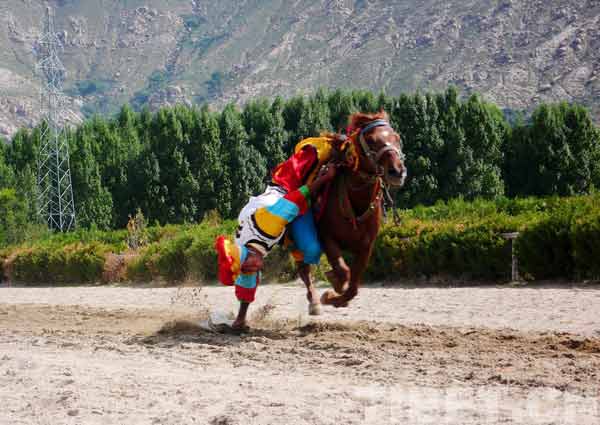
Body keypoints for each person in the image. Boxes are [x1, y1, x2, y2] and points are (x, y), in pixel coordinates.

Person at [215, 135, 348, 331]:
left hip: (287, 190)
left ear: (249, 257)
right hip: (269, 208)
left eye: (250, 267)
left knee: (311, 247)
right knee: (306, 250)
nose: (254, 269)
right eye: (249, 269)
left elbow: (299, 196)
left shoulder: (268, 222)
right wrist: (240, 319)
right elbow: (246, 283)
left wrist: (325, 178)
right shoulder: (243, 255)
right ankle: (312, 286)